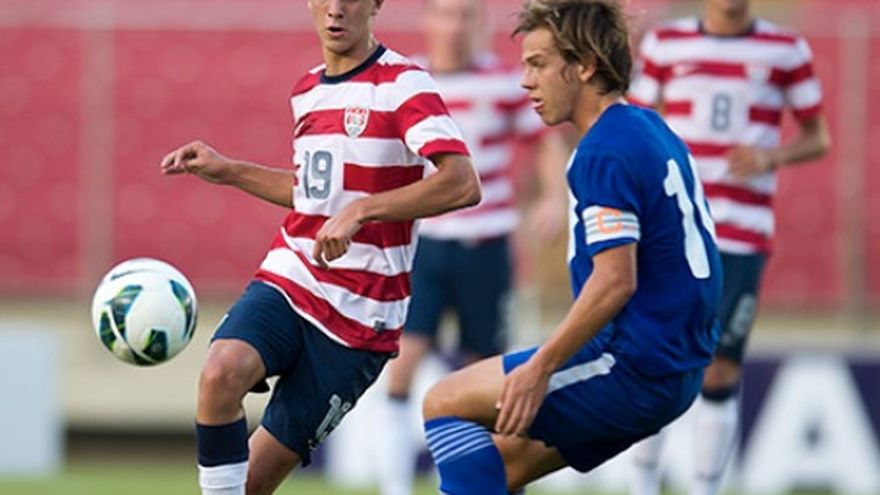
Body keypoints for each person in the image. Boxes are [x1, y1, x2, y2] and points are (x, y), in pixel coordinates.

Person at [160, 0, 481, 493]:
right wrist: (228, 170)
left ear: (375, 5)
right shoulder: (307, 90)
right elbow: (315, 196)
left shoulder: (403, 84)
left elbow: (461, 183)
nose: (335, 10)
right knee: (221, 371)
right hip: (293, 275)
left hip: (362, 317)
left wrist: (362, 210)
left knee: (253, 483)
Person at [419, 1, 723, 493]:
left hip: (633, 367)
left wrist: (541, 367)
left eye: (538, 64)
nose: (526, 81)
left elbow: (616, 280)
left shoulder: (603, 150)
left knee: (444, 400)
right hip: (679, 364)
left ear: (584, 65)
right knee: (501, 464)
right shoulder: (651, 127)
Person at [627, 1, 831, 494]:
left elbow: (818, 137)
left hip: (741, 231)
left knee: (720, 367)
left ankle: (706, 488)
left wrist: (772, 155)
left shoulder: (786, 49)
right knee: (653, 358)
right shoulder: (666, 43)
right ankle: (642, 485)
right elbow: (635, 122)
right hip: (673, 230)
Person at [378, 0, 568, 493]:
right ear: (430, 21)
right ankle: (396, 485)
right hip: (423, 245)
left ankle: (493, 479)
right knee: (402, 362)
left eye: (465, 15)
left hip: (486, 244)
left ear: (478, 24)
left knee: (485, 374)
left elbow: (544, 141)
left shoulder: (502, 83)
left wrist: (552, 196)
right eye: (445, 14)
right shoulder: (407, 80)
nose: (454, 26)